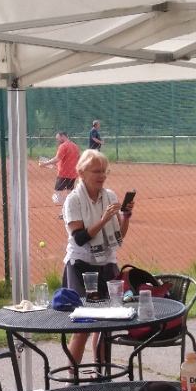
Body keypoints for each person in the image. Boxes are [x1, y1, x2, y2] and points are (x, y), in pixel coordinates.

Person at [61, 149, 131, 367]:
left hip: (107, 263)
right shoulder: (73, 200)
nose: (102, 176)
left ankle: (101, 373)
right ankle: (72, 378)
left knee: (105, 324)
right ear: (82, 173)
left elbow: (118, 237)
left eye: (104, 171)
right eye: (97, 171)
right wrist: (103, 219)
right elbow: (80, 238)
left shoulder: (110, 196)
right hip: (80, 265)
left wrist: (126, 216)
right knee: (83, 325)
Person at [37, 131, 80, 205]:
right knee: (70, 192)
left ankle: (65, 207)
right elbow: (76, 159)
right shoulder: (74, 145)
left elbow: (57, 159)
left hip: (63, 174)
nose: (57, 140)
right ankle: (70, 207)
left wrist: (45, 163)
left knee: (57, 193)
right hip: (73, 173)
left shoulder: (63, 146)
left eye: (58, 138)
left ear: (63, 136)